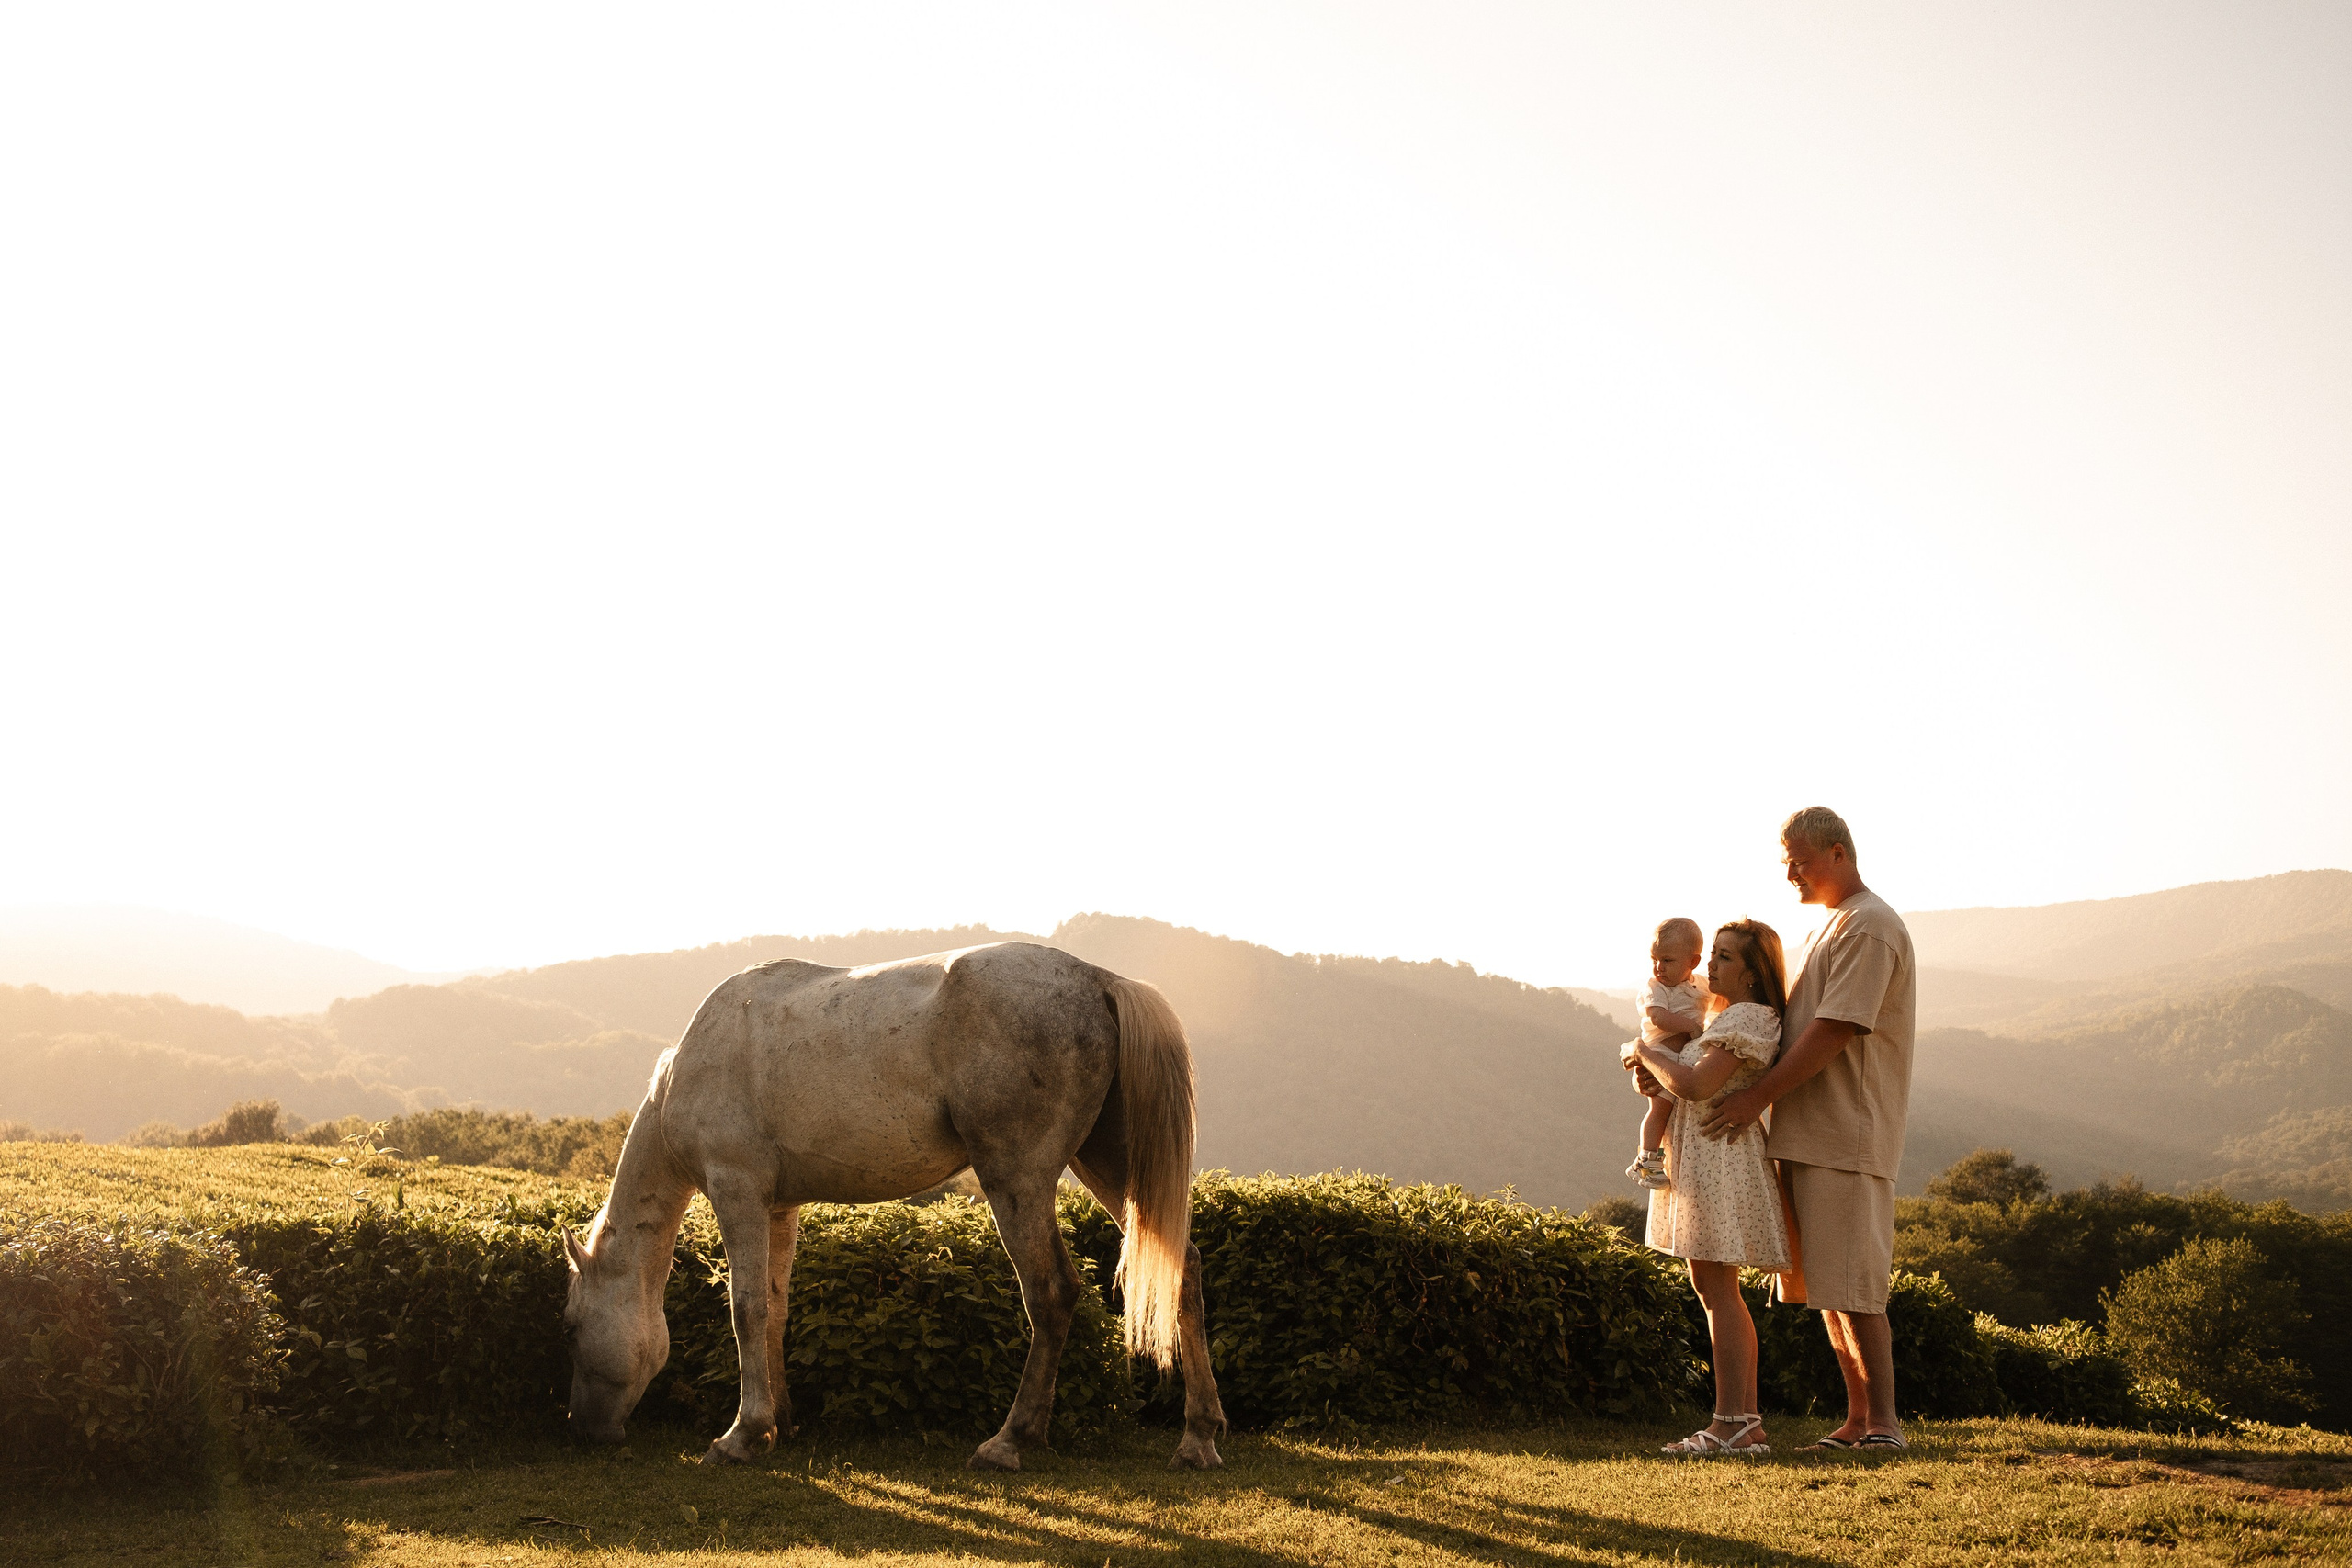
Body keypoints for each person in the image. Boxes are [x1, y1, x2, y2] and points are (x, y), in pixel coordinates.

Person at [1700, 807, 1917, 1451]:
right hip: (1808, 1132)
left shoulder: (1869, 925)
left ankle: (1884, 1425)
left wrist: (1756, 1097)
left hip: (1847, 1133)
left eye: (1799, 860)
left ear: (1838, 853)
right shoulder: (1832, 924)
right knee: (1830, 1286)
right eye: (1786, 861)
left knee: (1858, 1286)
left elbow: (1835, 1027)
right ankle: (1857, 1419)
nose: (1790, 872)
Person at [1625, 919, 1792, 1457]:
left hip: (1719, 1159)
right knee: (1715, 1289)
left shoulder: (1749, 1016)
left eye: (1724, 957)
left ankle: (1731, 1424)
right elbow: (1684, 1079)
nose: (1711, 966)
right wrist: (1654, 1072)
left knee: (1718, 1290)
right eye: (1713, 954)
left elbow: (1697, 1085)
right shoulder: (1727, 1016)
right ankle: (1743, 1423)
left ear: (1752, 972)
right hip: (1707, 1156)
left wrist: (1643, 1052)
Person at [1618, 917, 1711, 1190]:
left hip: (1678, 1057)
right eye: (1654, 959)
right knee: (1659, 1108)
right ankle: (1646, 1160)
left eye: (1667, 960)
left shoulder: (1701, 985)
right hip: (1660, 1052)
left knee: (1668, 1110)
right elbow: (1658, 1017)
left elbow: (1718, 1001)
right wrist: (1692, 1028)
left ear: (1693, 962)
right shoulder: (1655, 988)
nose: (1659, 967)